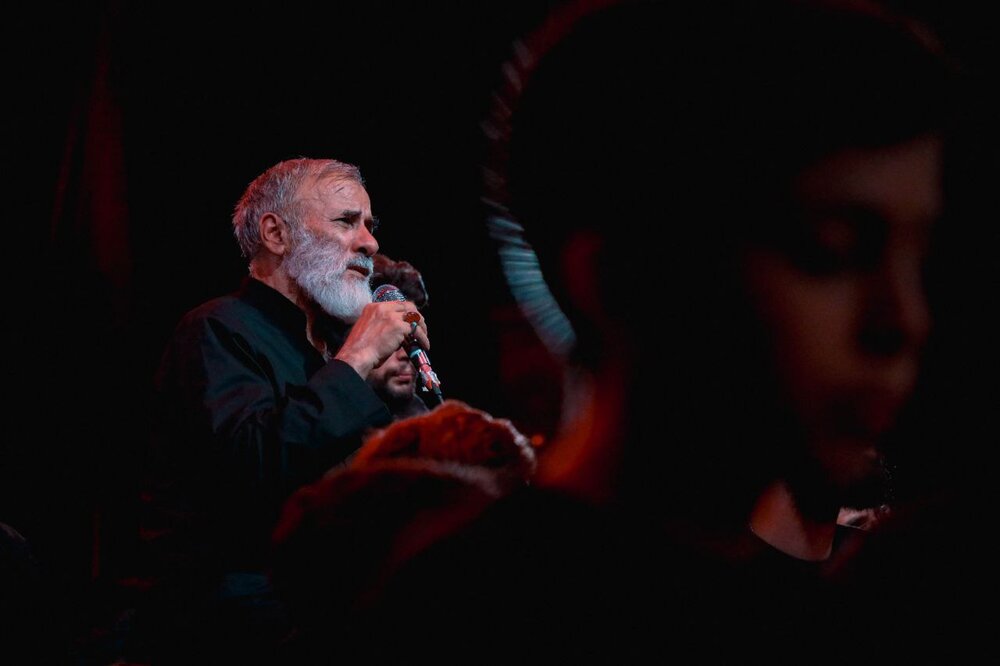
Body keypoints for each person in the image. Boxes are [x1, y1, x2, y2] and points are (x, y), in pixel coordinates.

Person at [329, 0, 966, 660]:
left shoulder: (841, 617)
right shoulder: (467, 618)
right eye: (831, 249)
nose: (905, 320)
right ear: (627, 278)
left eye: (918, 256)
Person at [132, 157, 430, 663]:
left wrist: (398, 393)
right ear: (276, 233)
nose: (369, 242)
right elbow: (254, 463)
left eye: (369, 224)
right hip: (235, 610)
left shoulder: (329, 342)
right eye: (347, 221)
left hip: (324, 593)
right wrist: (356, 360)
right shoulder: (216, 328)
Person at [366, 253, 432, 420]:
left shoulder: (432, 428)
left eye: (412, 335)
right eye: (391, 334)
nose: (406, 354)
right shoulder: (319, 421)